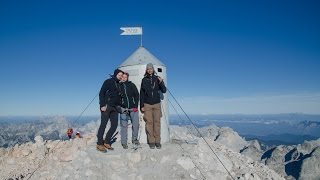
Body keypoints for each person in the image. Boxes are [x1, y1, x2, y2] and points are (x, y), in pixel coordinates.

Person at [140, 63, 167, 149]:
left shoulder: (157, 78)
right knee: (149, 123)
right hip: (147, 104)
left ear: (153, 69)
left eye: (151, 68)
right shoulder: (144, 80)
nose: (149, 70)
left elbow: (164, 90)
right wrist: (142, 105)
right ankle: (151, 141)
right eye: (148, 69)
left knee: (157, 123)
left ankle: (157, 141)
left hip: (156, 104)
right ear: (146, 70)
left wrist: (161, 82)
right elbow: (142, 93)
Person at [97, 69, 124, 152]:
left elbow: (119, 97)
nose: (120, 76)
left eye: (121, 75)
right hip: (107, 107)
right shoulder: (108, 81)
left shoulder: (119, 84)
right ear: (115, 74)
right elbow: (102, 93)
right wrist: (102, 105)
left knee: (114, 125)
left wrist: (121, 106)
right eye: (119, 75)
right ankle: (99, 144)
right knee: (103, 125)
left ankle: (107, 142)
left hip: (115, 108)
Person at [118, 72, 140, 149]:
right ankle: (124, 142)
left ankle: (134, 139)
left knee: (136, 125)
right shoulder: (119, 86)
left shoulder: (131, 85)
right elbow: (117, 98)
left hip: (133, 108)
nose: (124, 78)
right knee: (124, 126)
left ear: (128, 78)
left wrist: (135, 106)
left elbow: (137, 95)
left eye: (125, 77)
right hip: (123, 109)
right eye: (122, 77)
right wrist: (119, 107)